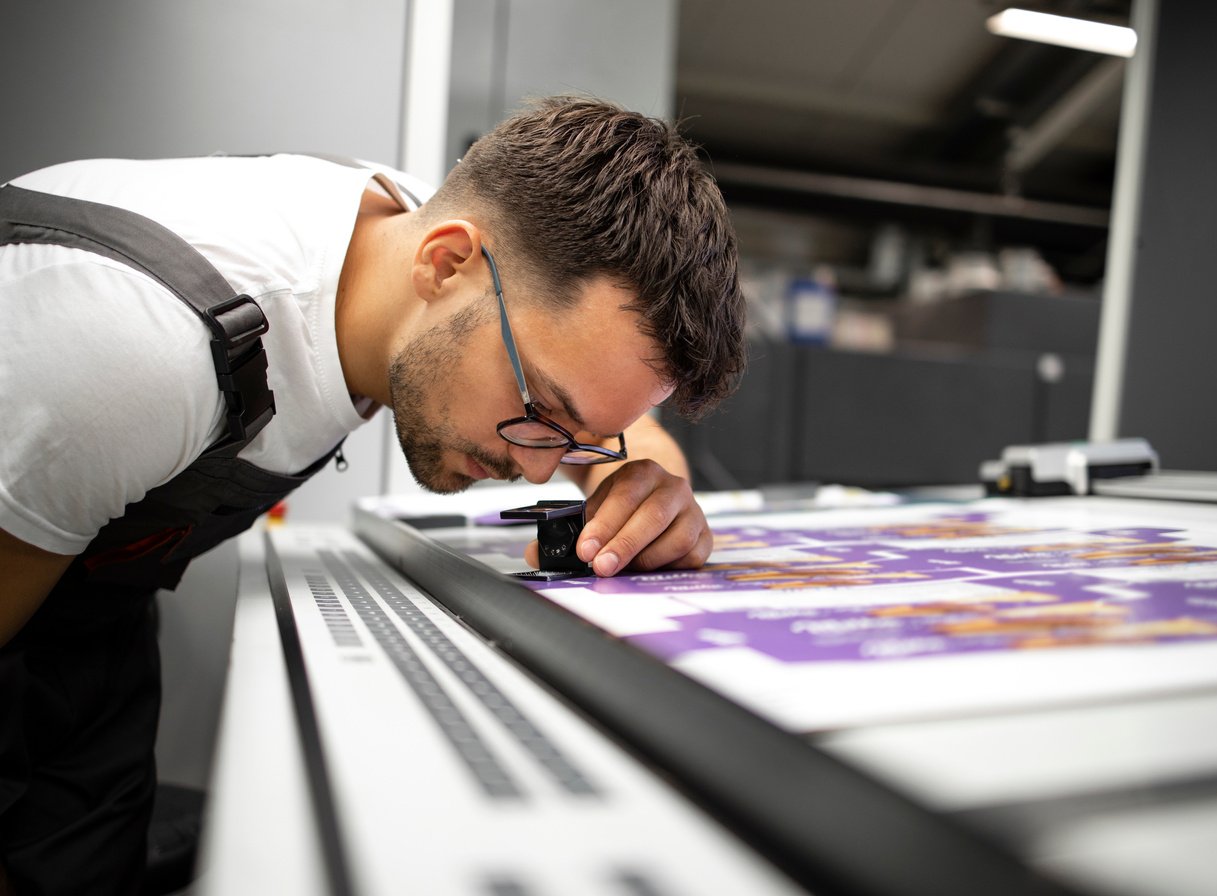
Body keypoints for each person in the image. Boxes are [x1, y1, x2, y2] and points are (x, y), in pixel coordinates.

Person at [0, 96, 744, 894]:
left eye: (577, 435)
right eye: (540, 414)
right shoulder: (135, 347)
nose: (537, 471)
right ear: (445, 263)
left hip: (90, 613)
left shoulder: (426, 244)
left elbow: (620, 426)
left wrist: (640, 481)